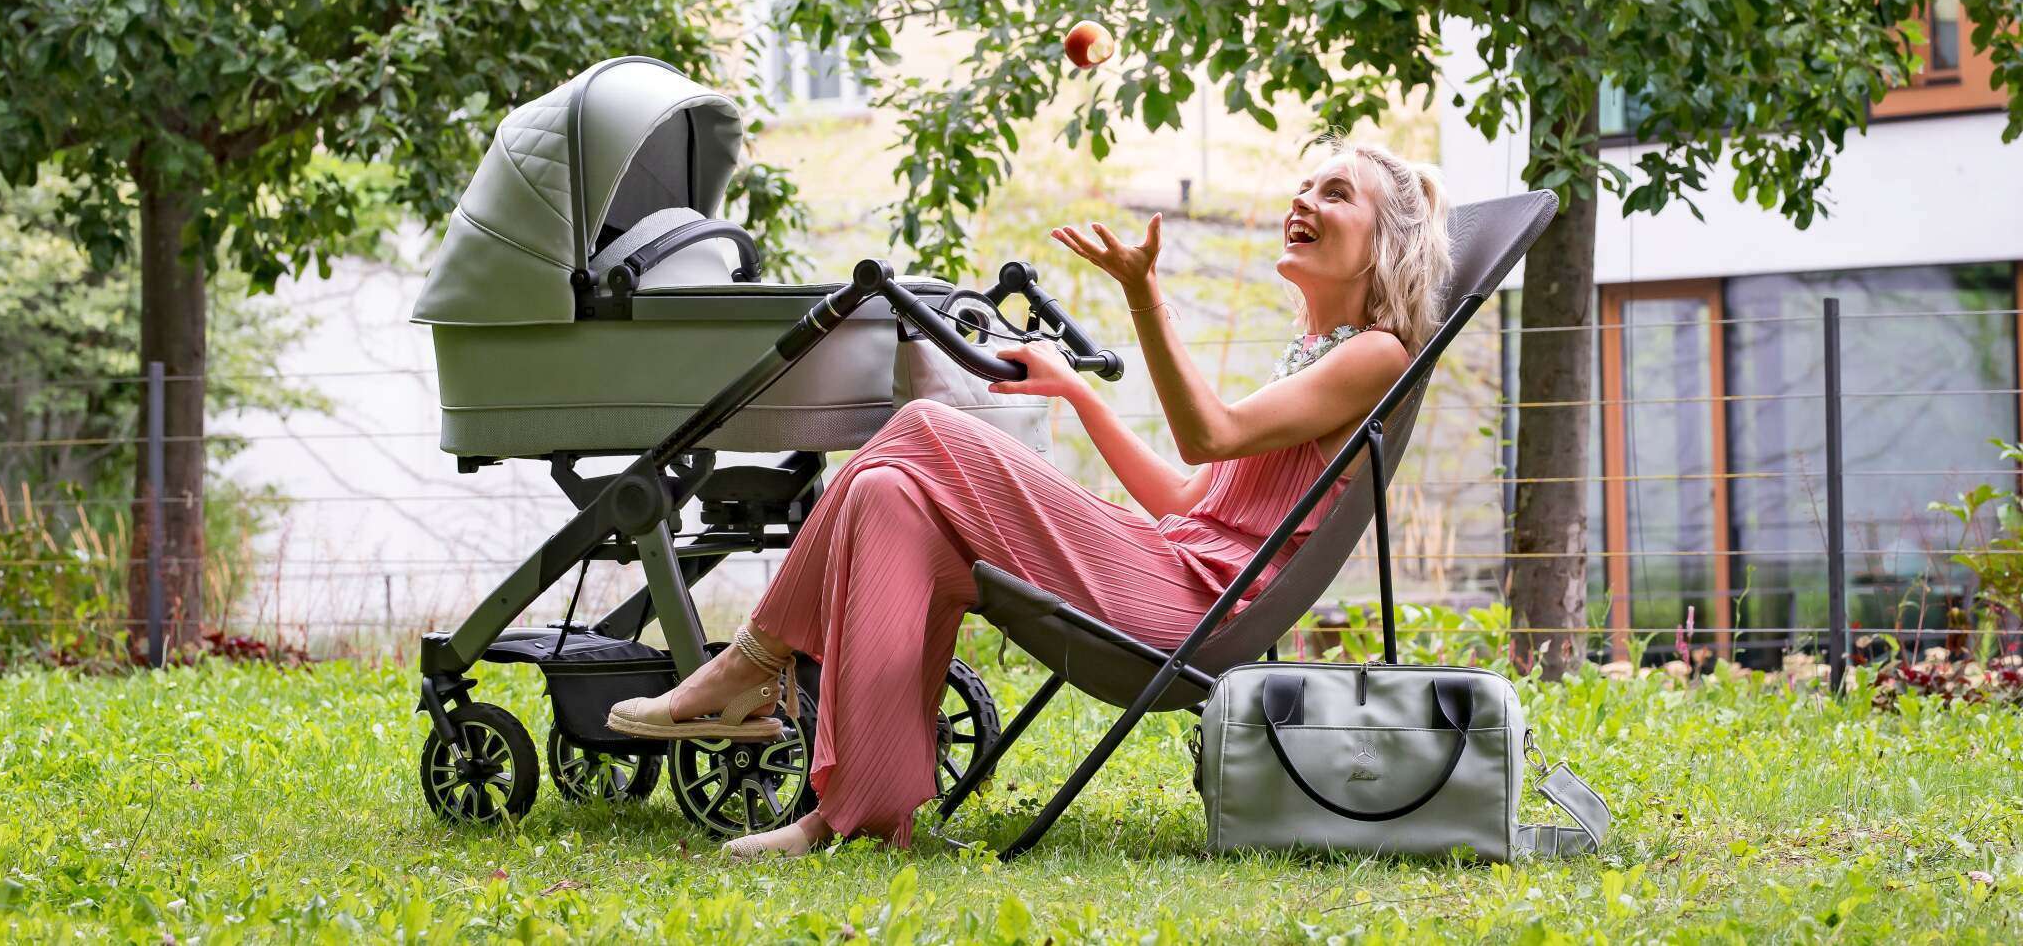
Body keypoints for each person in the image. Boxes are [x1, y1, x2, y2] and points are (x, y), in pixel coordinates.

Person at [606, 141, 1452, 858]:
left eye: (1336, 192)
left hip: (1195, 604)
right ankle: (854, 811)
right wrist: (1080, 396)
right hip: (1175, 565)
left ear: (1387, 244)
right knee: (893, 499)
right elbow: (1192, 491)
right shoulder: (1317, 352)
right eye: (1306, 184)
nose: (1304, 198)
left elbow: (1210, 435)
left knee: (927, 427)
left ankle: (752, 665)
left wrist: (1142, 293)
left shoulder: (1377, 354)